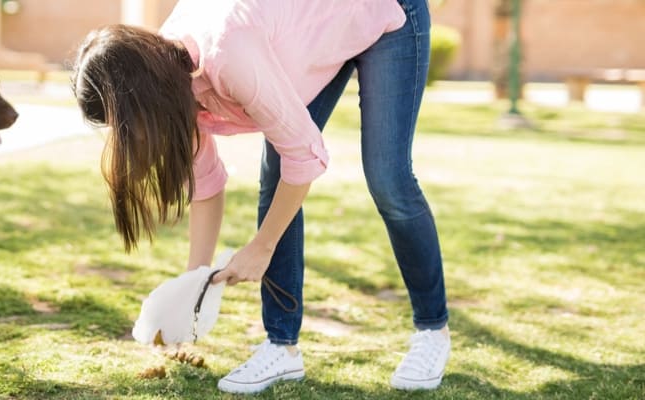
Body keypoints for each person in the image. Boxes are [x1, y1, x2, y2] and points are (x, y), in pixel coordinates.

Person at [71, 0, 450, 394]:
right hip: (316, 23)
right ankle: (282, 347)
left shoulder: (226, 54)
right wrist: (191, 291)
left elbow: (305, 153)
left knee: (388, 179)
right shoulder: (170, 79)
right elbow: (206, 185)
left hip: (385, 11)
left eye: (132, 126)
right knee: (276, 170)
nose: (137, 139)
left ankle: (432, 330)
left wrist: (262, 246)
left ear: (146, 98)